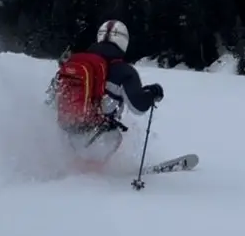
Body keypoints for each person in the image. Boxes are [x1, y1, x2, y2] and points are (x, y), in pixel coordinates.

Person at [51, 19, 164, 166]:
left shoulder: (75, 62)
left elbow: (53, 95)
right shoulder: (124, 71)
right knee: (114, 136)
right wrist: (152, 94)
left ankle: (74, 167)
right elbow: (138, 107)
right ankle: (92, 177)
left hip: (66, 127)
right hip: (93, 130)